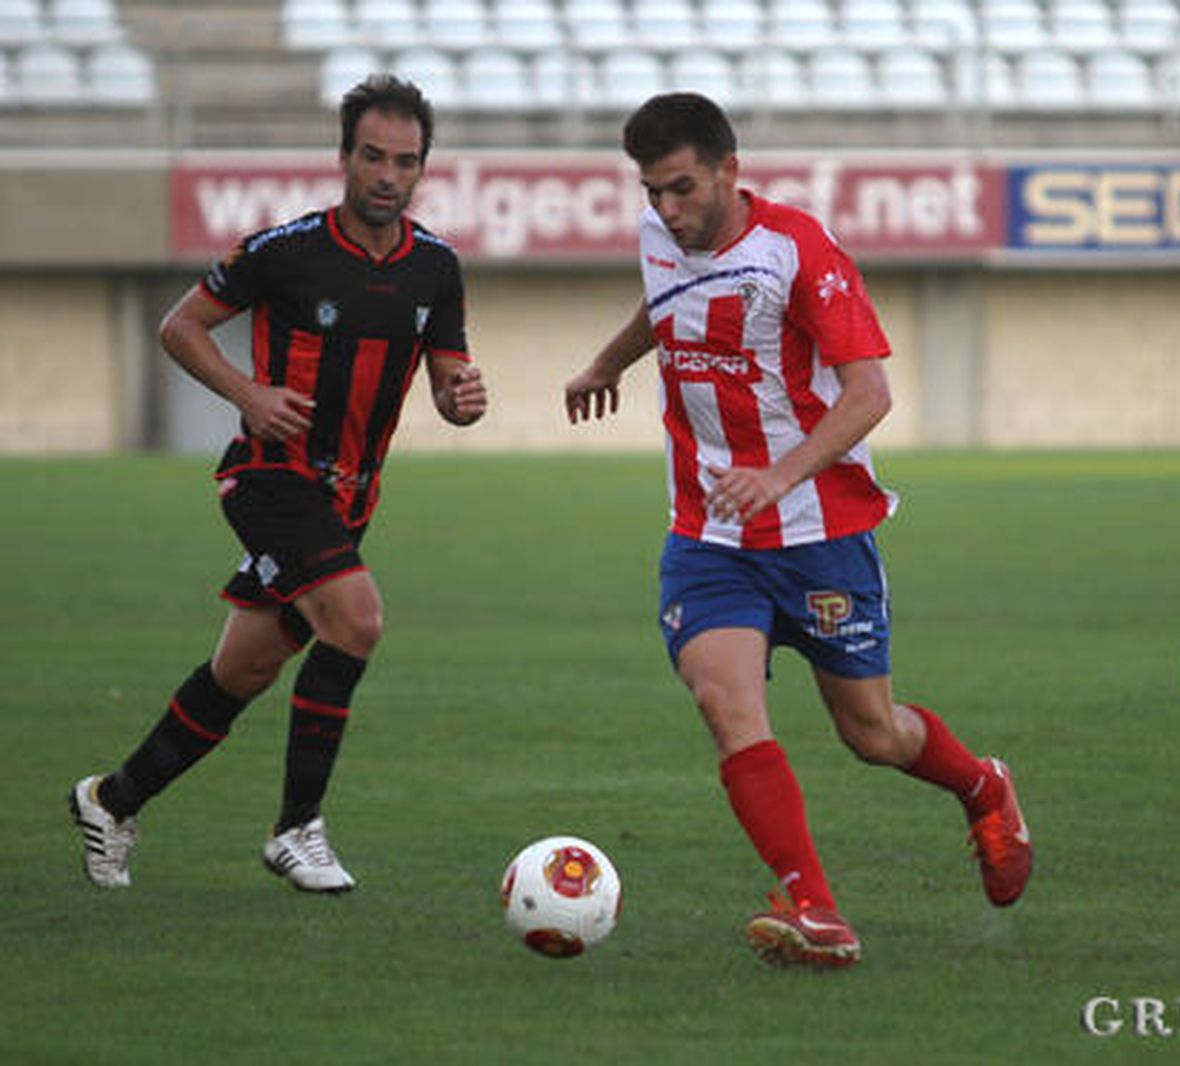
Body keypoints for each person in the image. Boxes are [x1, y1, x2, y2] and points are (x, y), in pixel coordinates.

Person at [563, 92, 1031, 968]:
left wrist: (778, 476)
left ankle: (982, 785)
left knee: (872, 733)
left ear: (730, 172)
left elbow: (870, 393)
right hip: (709, 532)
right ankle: (814, 906)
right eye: (653, 191)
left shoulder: (798, 249)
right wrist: (605, 363)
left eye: (683, 187)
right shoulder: (659, 236)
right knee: (725, 701)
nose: (667, 208)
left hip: (820, 532)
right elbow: (663, 306)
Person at [69, 75, 488, 892]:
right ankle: (297, 828)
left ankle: (111, 801)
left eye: (405, 161)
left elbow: (451, 382)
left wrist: (462, 401)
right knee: (357, 620)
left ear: (421, 168)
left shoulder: (437, 267)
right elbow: (180, 326)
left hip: (349, 500)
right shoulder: (284, 251)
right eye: (372, 156)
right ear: (344, 157)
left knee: (244, 670)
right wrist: (249, 395)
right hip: (271, 479)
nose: (387, 176)